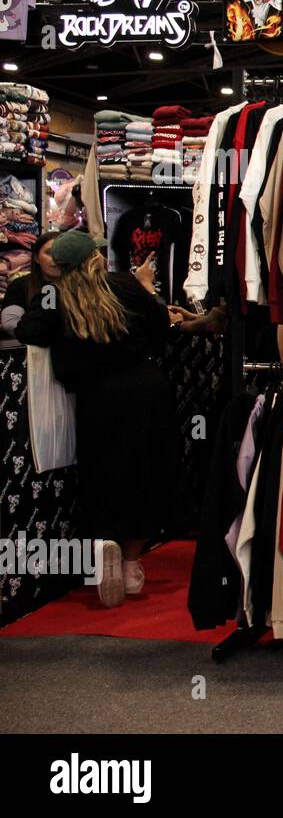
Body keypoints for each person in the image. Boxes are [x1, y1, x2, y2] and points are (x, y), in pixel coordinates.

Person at [15, 231, 177, 609]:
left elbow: (28, 331)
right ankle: (133, 562)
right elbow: (159, 327)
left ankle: (106, 541)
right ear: (94, 258)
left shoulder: (54, 297)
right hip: (144, 387)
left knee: (103, 472)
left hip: (97, 397)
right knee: (146, 473)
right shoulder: (123, 286)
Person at [0, 231, 60, 348]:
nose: (55, 258)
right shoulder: (21, 285)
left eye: (61, 252)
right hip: (34, 355)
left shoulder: (77, 285)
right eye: (49, 253)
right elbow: (10, 324)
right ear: (36, 257)